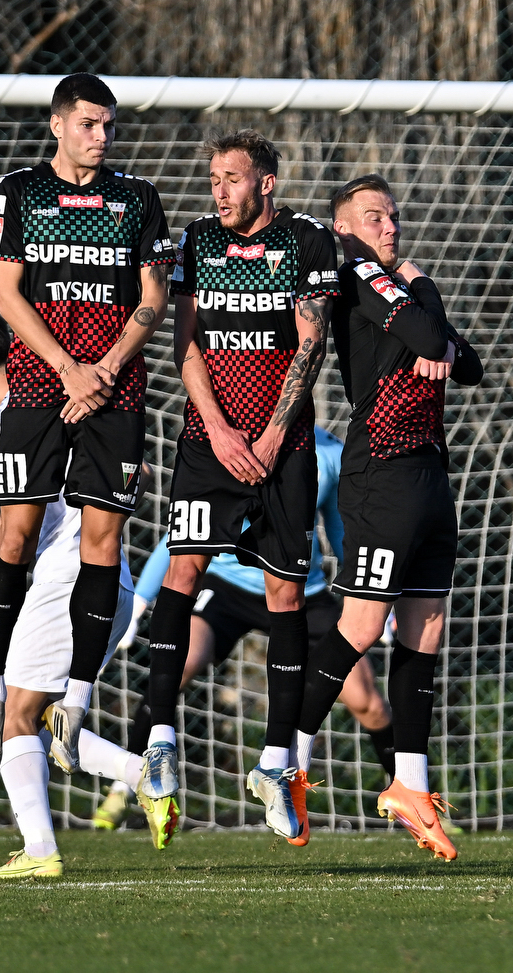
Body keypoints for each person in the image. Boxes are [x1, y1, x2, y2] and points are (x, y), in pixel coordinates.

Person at [272, 174, 482, 858]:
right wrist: (425, 299)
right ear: (344, 229)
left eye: (392, 217)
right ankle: (287, 762)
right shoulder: (358, 275)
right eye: (373, 218)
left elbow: (468, 364)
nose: (389, 228)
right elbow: (429, 334)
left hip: (429, 472)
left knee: (426, 628)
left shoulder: (397, 285)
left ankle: (410, 786)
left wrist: (434, 333)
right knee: (361, 626)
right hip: (381, 472)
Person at [0, 71, 174, 776]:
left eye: (109, 125)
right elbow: (8, 295)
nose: (102, 136)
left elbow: (153, 295)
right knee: (18, 533)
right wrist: (67, 368)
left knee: (104, 540)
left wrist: (106, 368)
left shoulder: (137, 197)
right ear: (58, 124)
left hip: (114, 391)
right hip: (39, 385)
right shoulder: (18, 191)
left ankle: (78, 698)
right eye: (89, 123)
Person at [144, 130, 340, 840]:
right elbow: (186, 343)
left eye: (232, 178)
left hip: (284, 449)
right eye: (213, 178)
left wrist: (270, 437)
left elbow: (311, 343)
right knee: (184, 570)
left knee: (286, 593)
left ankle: (275, 765)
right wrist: (222, 431)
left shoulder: (308, 242)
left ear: (267, 182)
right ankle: (160, 741)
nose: (219, 190)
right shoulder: (197, 240)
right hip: (209, 443)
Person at [0, 310, 152, 879]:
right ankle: (142, 775)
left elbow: (17, 527)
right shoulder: (64, 400)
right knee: (43, 711)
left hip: (68, 584)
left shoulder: (19, 417)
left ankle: (41, 851)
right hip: (104, 580)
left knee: (14, 716)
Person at [91, 427, 397, 845]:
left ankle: (408, 789)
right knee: (180, 663)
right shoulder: (231, 437)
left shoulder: (329, 453)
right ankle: (127, 784)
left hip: (299, 591)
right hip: (227, 586)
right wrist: (142, 599)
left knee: (367, 701)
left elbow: (342, 530)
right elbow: (183, 533)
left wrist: (371, 598)